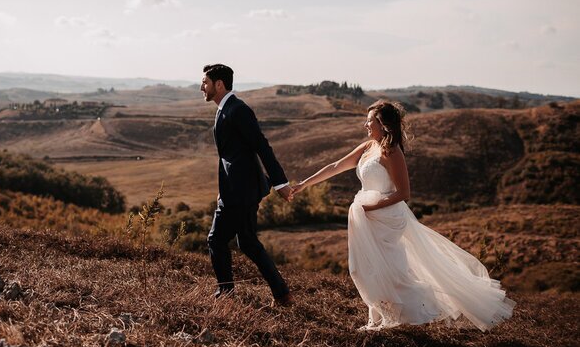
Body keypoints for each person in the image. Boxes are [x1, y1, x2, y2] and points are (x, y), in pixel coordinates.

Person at [291, 100, 514, 331]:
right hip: (366, 218)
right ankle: (379, 317)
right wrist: (304, 185)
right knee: (366, 268)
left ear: (383, 124)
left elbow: (403, 193)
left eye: (369, 121)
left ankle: (417, 311)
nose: (365, 125)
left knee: (391, 271)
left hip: (385, 218)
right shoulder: (368, 148)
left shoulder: (392, 151)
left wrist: (371, 208)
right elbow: (336, 165)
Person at [201, 64, 293, 306]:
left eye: (205, 82)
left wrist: (280, 182)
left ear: (219, 84)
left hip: (239, 191)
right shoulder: (225, 108)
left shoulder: (237, 110)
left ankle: (226, 294)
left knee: (216, 239)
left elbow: (261, 146)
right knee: (248, 242)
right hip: (239, 188)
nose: (202, 87)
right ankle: (282, 294)